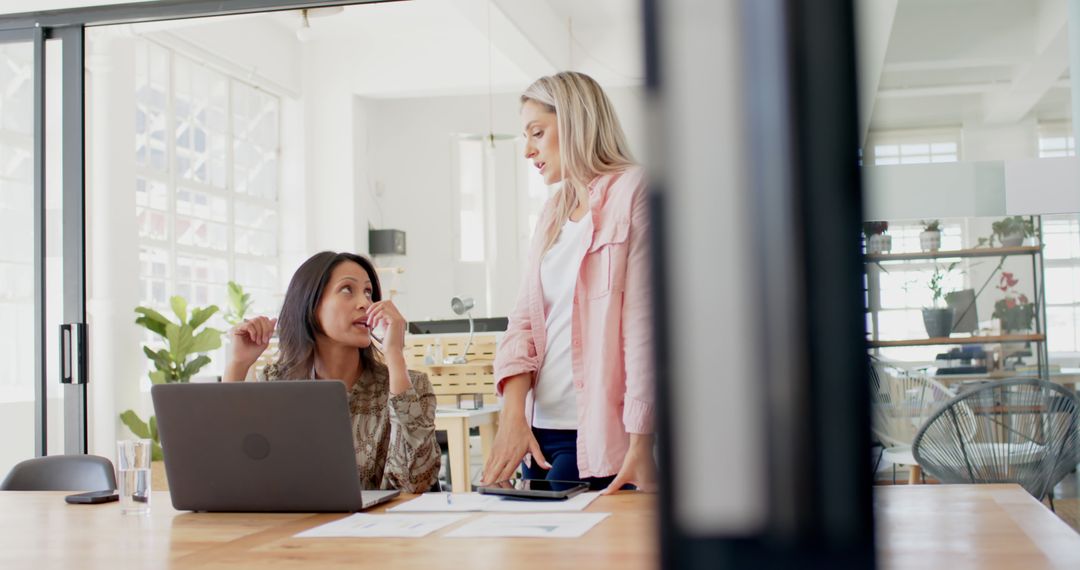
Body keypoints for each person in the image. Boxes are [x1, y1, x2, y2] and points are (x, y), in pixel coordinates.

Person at [480, 71, 656, 494]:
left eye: (537, 133)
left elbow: (644, 328)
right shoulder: (553, 211)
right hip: (540, 434)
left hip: (603, 438)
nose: (528, 151)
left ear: (576, 121)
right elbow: (523, 323)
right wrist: (512, 419)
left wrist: (641, 442)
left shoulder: (636, 190)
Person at [223, 251, 440, 494]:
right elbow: (233, 473)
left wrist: (394, 355)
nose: (365, 303)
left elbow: (416, 481)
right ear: (310, 304)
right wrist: (237, 365)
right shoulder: (275, 384)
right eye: (347, 289)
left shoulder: (410, 387)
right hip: (292, 528)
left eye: (368, 293)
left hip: (378, 529)